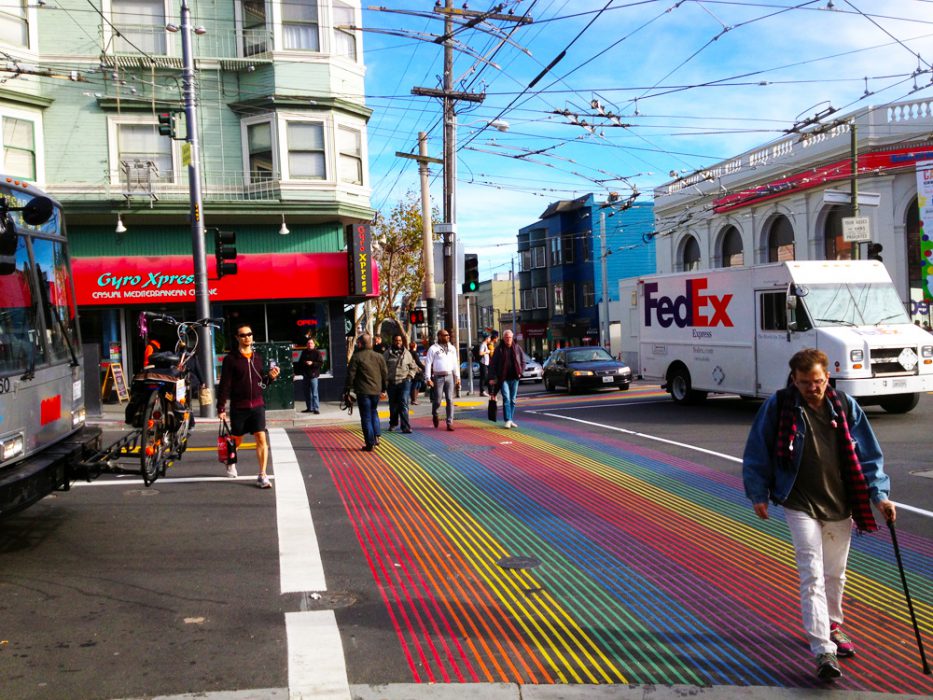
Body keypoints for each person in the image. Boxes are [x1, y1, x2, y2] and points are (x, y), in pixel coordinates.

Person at [742, 348, 895, 682]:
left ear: (828, 377)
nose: (814, 388)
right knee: (811, 573)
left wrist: (880, 497)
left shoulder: (844, 406)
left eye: (819, 381)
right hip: (799, 502)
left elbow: (869, 455)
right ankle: (822, 648)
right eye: (805, 383)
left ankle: (834, 624)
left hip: (842, 502)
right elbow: (757, 450)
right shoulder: (780, 406)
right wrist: (758, 494)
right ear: (794, 380)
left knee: (834, 574)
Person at [217, 323, 280, 488]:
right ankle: (231, 461)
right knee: (237, 440)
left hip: (258, 405)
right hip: (239, 406)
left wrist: (271, 378)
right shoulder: (231, 360)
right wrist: (221, 408)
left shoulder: (257, 358)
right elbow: (224, 385)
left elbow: (261, 383)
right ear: (237, 338)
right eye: (243, 335)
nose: (247, 337)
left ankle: (262, 475)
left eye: (249, 334)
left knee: (261, 437)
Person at [344, 333, 387, 451]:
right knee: (374, 412)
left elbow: (351, 375)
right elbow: (384, 374)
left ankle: (370, 443)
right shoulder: (379, 357)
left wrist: (347, 389)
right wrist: (383, 389)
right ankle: (377, 436)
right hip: (376, 390)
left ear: (361, 344)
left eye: (358, 343)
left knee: (366, 417)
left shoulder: (357, 357)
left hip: (363, 391)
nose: (357, 344)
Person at [424, 328, 461, 431]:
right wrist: (428, 378)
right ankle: (435, 413)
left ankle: (450, 422)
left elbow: (455, 363)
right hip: (438, 377)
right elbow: (428, 363)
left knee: (450, 399)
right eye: (445, 335)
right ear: (439, 336)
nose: (448, 336)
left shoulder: (452, 348)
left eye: (448, 335)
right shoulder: (433, 348)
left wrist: (457, 377)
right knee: (438, 400)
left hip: (449, 376)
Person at [489, 329, 527, 429]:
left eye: (510, 337)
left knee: (513, 400)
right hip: (503, 378)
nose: (508, 339)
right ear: (503, 338)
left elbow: (523, 361)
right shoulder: (499, 349)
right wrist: (492, 377)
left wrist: (520, 373)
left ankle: (510, 419)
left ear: (512, 338)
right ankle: (507, 420)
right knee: (506, 398)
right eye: (506, 337)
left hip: (515, 378)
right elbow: (493, 364)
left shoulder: (517, 348)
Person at [385, 333, 417, 433]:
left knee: (403, 403)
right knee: (393, 405)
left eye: (400, 340)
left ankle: (406, 427)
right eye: (396, 340)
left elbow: (413, 367)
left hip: (404, 382)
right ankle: (393, 424)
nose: (398, 342)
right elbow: (382, 367)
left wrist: (409, 376)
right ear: (393, 341)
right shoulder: (387, 354)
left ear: (402, 342)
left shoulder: (407, 353)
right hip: (392, 383)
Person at [297, 337, 323, 414]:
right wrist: (303, 365)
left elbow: (320, 363)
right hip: (305, 375)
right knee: (307, 393)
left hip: (313, 375)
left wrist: (312, 363)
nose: (309, 344)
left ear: (314, 344)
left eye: (311, 343)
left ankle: (316, 408)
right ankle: (309, 408)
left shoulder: (317, 352)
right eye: (308, 343)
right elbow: (300, 363)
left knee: (314, 393)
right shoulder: (304, 352)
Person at [408, 340, 425, 405]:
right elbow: (418, 362)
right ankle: (414, 400)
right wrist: (424, 367)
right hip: (416, 371)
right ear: (414, 346)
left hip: (413, 370)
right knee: (416, 385)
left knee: (417, 385)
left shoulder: (409, 352)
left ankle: (414, 399)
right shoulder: (414, 353)